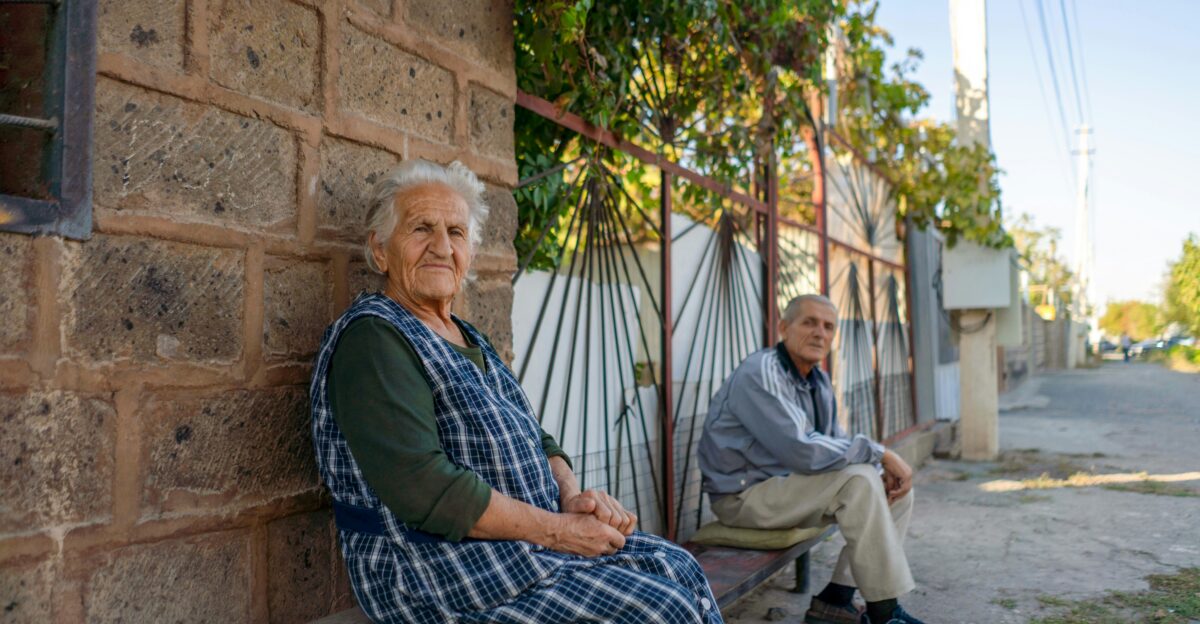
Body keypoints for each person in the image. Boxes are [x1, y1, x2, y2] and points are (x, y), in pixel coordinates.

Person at [310, 159, 721, 623]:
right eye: (421, 229)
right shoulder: (374, 338)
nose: (442, 247)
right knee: (662, 610)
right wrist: (561, 531)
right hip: (438, 568)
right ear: (380, 250)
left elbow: (537, 437)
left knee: (678, 566)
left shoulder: (468, 336)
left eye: (457, 233)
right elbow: (425, 489)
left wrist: (572, 497)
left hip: (524, 549)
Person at [698, 294, 924, 624]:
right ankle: (885, 615)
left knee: (891, 487)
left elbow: (835, 445)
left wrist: (881, 466)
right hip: (743, 498)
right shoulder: (761, 372)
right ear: (783, 327)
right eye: (809, 322)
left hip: (786, 490)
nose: (820, 333)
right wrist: (882, 453)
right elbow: (802, 449)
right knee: (861, 481)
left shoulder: (817, 381)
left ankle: (836, 599)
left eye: (828, 326)